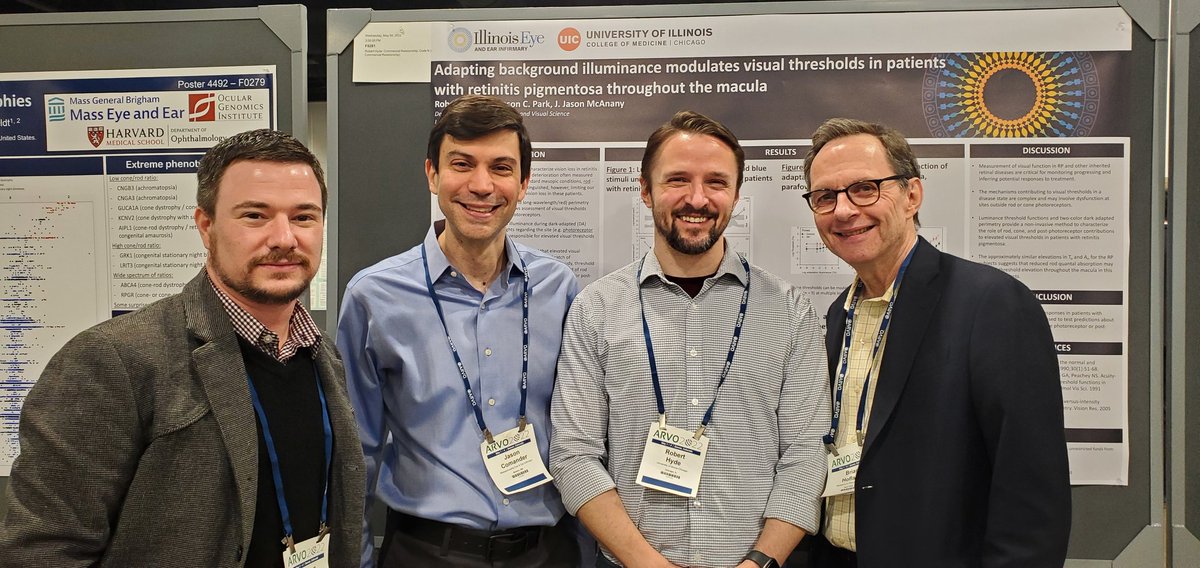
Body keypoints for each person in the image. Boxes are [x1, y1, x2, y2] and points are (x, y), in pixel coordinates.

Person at [0, 129, 366, 567]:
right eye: (255, 215)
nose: (284, 238)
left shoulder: (322, 354)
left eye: (304, 217)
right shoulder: (114, 360)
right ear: (206, 227)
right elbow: (43, 550)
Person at [549, 110, 830, 568]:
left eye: (716, 183)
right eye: (677, 180)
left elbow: (805, 456)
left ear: (737, 195)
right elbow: (574, 454)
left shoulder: (789, 310)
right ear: (645, 190)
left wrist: (758, 563)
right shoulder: (595, 308)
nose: (697, 198)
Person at [799, 117, 1071, 567]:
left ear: (912, 196)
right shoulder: (838, 315)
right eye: (825, 196)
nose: (844, 210)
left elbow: (1031, 494)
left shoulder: (992, 304)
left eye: (865, 188)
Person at [337, 94, 581, 567]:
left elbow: (583, 434)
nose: (482, 185)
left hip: (547, 552)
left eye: (502, 168)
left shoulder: (559, 289)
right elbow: (355, 456)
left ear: (524, 182)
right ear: (432, 174)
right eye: (462, 164)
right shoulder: (374, 296)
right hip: (426, 552)